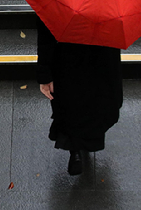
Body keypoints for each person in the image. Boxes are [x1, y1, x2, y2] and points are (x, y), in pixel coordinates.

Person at [36, 16, 123, 175]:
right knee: (99, 105)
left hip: (69, 59)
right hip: (103, 59)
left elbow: (46, 34)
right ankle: (88, 141)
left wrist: (45, 75)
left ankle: (75, 150)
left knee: (72, 107)